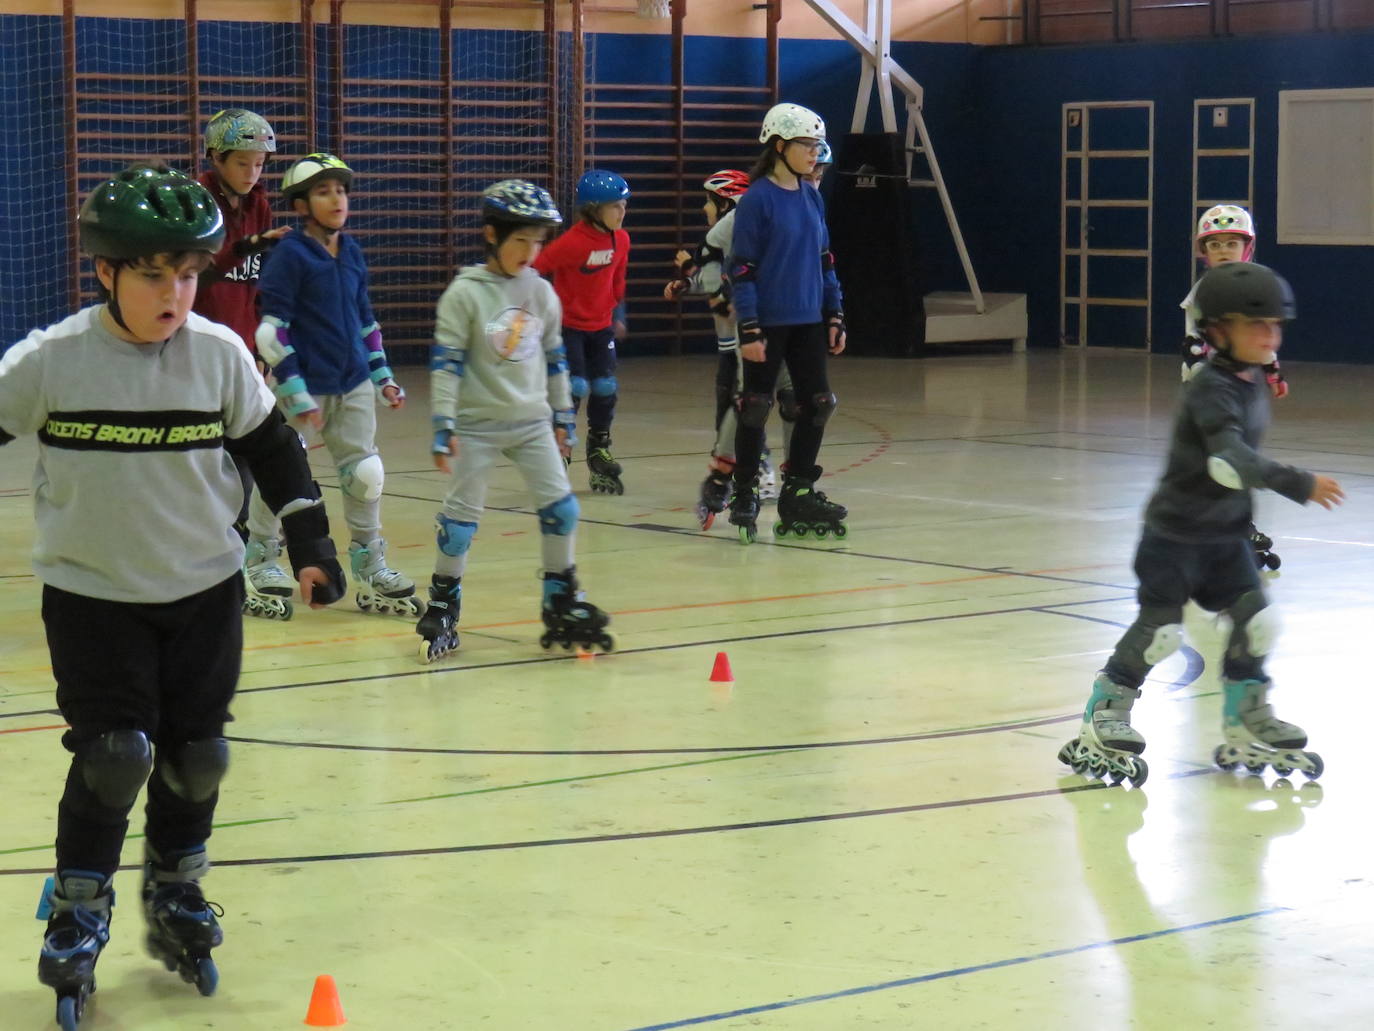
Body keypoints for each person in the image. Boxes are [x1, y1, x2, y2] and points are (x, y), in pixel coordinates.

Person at [0, 165, 344, 1025]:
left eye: (188, 273)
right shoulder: (52, 361)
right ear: (105, 272)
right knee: (116, 753)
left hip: (203, 589)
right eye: (154, 273)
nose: (175, 291)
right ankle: (81, 904)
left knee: (198, 754)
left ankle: (177, 887)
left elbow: (274, 452)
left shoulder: (218, 354)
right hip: (92, 593)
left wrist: (311, 543)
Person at [1058, 262, 1343, 788]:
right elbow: (1229, 461)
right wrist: (1300, 483)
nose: (1270, 334)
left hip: (1225, 536)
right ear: (1216, 331)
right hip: (1174, 537)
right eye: (1256, 325)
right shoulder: (1211, 388)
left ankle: (1246, 711)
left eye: (1275, 325)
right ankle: (1106, 709)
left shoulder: (1253, 378)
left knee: (1258, 620)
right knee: (1162, 633)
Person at [415, 180, 614, 662]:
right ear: (491, 235)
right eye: (520, 240)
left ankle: (559, 596)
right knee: (460, 522)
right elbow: (446, 365)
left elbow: (554, 358)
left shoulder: (541, 293)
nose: (531, 251)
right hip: (477, 426)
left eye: (537, 241)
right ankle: (444, 601)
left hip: (531, 423)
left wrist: (564, 415)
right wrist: (443, 426)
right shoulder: (465, 294)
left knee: (562, 509)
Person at [250, 152, 421, 617]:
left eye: (341, 190)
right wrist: (295, 393)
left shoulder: (351, 251)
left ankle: (370, 564)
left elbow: (365, 321)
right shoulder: (290, 255)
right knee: (281, 474)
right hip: (306, 385)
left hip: (353, 384)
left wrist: (383, 376)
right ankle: (259, 558)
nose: (336, 198)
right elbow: (271, 331)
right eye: (324, 191)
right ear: (301, 205)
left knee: (365, 473)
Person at [726, 102, 847, 544]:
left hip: (808, 320)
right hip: (770, 323)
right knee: (756, 406)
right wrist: (750, 327)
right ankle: (744, 491)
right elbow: (742, 269)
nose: (815, 153)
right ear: (779, 146)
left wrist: (834, 312)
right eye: (807, 145)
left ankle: (799, 488)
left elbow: (824, 260)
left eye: (817, 146)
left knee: (819, 403)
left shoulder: (812, 195)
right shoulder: (758, 198)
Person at [192, 109, 296, 616]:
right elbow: (201, 274)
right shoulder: (195, 200)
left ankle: (235, 557)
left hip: (241, 352)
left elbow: (256, 284)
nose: (253, 173)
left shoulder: (259, 207)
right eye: (243, 162)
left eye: (260, 163)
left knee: (248, 456)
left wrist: (261, 348)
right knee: (201, 460)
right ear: (215, 157)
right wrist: (250, 244)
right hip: (195, 349)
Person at [664, 169, 795, 529]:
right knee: (735, 405)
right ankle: (743, 467)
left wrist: (691, 274)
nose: (705, 208)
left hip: (751, 336)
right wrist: (686, 283)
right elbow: (716, 284)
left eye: (710, 201)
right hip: (733, 342)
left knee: (756, 401)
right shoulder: (725, 237)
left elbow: (721, 289)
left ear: (728, 201)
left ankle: (748, 470)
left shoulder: (747, 231)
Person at [1182, 204, 1287, 570]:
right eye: (1215, 244)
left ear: (1248, 248)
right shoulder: (1205, 291)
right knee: (1221, 459)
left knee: (1234, 459)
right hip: (1211, 389)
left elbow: (1263, 335)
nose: (1224, 250)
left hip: (1245, 388)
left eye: (1232, 242)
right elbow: (1194, 339)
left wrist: (1273, 372)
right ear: (1203, 252)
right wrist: (1199, 374)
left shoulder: (1254, 287)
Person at [532, 168, 631, 494]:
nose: (622, 211)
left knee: (604, 386)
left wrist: (618, 313)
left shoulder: (622, 239)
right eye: (615, 206)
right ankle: (558, 447)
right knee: (573, 387)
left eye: (624, 205)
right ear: (593, 209)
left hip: (601, 327)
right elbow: (536, 268)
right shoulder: (572, 242)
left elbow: (618, 281)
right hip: (569, 327)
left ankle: (599, 447)